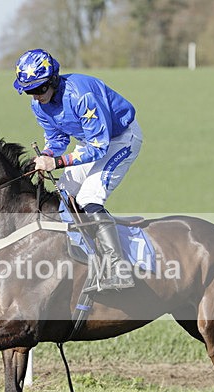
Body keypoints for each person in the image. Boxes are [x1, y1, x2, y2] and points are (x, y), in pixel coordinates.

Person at [13, 48, 142, 292]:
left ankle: (118, 270)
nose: (35, 96)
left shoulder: (82, 96)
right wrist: (47, 154)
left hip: (120, 139)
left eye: (39, 89)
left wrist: (58, 163)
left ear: (52, 80)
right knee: (64, 194)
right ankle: (88, 260)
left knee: (88, 198)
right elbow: (57, 139)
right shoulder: (38, 106)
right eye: (29, 91)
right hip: (89, 143)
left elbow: (99, 146)